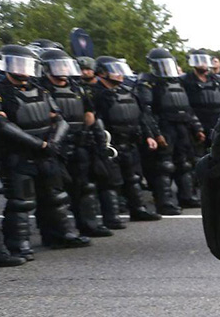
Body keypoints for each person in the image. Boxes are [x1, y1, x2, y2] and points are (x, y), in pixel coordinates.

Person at [0, 44, 90, 258]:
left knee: (55, 196)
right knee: (21, 202)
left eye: (26, 64)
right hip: (18, 154)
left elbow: (59, 118)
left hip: (47, 151)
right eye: (17, 64)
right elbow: (2, 125)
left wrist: (53, 142)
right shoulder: (1, 91)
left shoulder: (41, 89)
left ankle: (61, 235)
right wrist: (38, 144)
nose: (22, 70)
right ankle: (18, 244)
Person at [37, 48, 114, 237]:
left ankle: (88, 225)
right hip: (54, 146)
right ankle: (55, 234)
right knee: (54, 193)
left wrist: (94, 138)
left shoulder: (77, 87)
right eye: (58, 65)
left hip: (79, 143)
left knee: (84, 187)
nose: (63, 69)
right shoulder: (41, 89)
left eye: (65, 65)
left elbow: (90, 114)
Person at [92, 56, 163, 222]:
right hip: (111, 143)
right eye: (114, 70)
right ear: (102, 73)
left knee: (133, 178)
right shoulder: (95, 94)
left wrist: (148, 136)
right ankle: (112, 217)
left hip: (130, 142)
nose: (119, 74)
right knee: (110, 182)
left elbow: (141, 117)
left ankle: (138, 210)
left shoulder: (128, 91)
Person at [136, 47, 206, 212]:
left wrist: (197, 128)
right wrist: (156, 133)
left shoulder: (177, 82)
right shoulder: (147, 82)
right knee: (164, 166)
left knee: (185, 164)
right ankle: (165, 202)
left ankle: (187, 196)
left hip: (182, 126)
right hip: (164, 126)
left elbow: (187, 108)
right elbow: (146, 111)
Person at [181, 49, 220, 142]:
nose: (202, 64)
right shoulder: (185, 80)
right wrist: (196, 127)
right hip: (197, 123)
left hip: (219, 122)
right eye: (199, 61)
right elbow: (184, 105)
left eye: (204, 61)